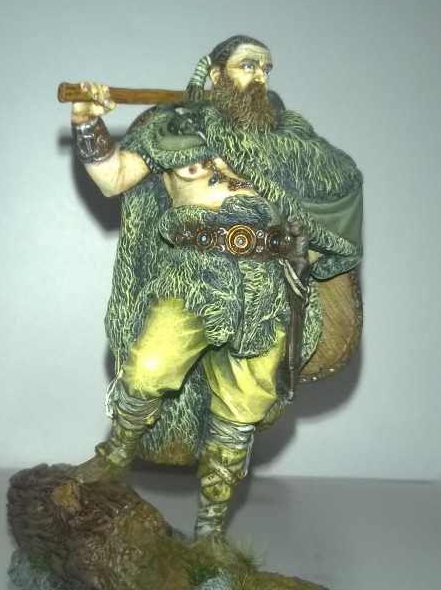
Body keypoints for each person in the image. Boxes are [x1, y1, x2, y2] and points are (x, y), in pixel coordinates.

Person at [69, 35, 362, 540]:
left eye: (266, 67)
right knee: (149, 366)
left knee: (242, 406)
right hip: (195, 274)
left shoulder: (288, 140)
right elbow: (113, 178)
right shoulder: (173, 128)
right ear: (216, 73)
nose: (260, 76)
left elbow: (338, 183)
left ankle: (209, 533)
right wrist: (87, 122)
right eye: (248, 65)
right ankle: (113, 458)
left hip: (266, 286)